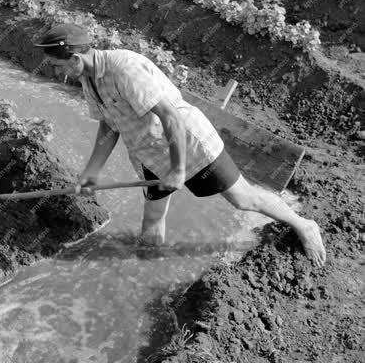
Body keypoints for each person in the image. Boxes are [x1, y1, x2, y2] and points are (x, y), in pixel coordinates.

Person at [33, 23, 326, 267]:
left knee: (243, 199)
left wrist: (178, 168)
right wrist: (92, 171)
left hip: (190, 147)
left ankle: (302, 224)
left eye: (57, 65)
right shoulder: (88, 78)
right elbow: (109, 125)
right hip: (150, 154)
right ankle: (146, 267)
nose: (58, 71)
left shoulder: (124, 70)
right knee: (152, 217)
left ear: (74, 58)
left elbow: (171, 117)